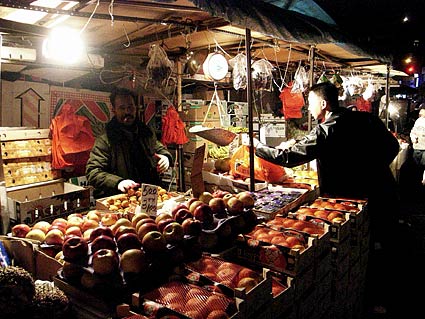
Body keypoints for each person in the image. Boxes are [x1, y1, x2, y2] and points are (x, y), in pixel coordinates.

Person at [250, 82, 400, 315]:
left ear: (323, 103)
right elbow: (392, 147)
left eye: (310, 103)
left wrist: (257, 147)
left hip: (346, 202)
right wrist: (372, 169)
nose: (308, 109)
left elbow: (288, 157)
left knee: (355, 247)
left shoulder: (326, 130)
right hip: (381, 191)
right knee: (377, 245)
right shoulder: (367, 119)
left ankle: (364, 301)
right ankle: (380, 299)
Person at [86, 87, 173, 198]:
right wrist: (118, 182)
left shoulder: (145, 133)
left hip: (149, 196)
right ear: (114, 110)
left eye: (130, 107)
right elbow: (93, 172)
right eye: (122, 108)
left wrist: (166, 158)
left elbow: (159, 149)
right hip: (122, 198)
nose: (127, 112)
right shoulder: (105, 140)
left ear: (135, 108)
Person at [410, 108, 425, 185]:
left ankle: (422, 181)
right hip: (417, 147)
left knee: (423, 166)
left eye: (422, 112)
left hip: (424, 148)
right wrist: (413, 138)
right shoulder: (418, 121)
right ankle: (416, 182)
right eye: (420, 112)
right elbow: (413, 131)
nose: (420, 113)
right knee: (416, 166)